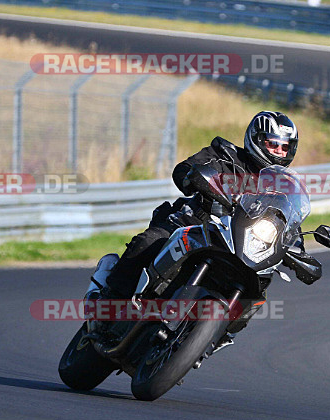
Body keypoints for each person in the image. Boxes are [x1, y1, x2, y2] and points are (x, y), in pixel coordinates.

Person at [100, 111, 301, 306]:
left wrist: (299, 251)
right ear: (256, 139)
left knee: (257, 290)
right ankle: (109, 301)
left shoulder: (281, 189)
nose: (279, 151)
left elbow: (287, 222)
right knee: (149, 241)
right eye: (273, 143)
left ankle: (219, 333)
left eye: (285, 147)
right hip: (191, 226)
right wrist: (192, 177)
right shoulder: (226, 155)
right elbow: (185, 169)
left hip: (238, 247)